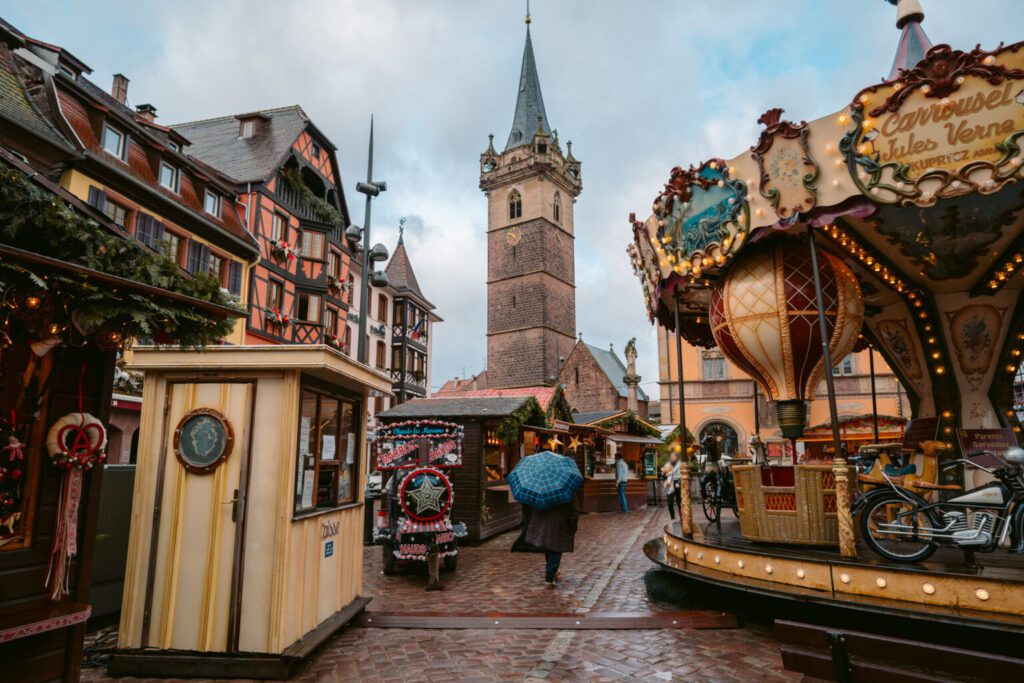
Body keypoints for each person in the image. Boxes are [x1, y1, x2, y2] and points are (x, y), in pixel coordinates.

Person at [522, 498, 580, 586]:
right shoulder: (567, 491)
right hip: (561, 522)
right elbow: (574, 510)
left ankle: (553, 571)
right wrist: (572, 525)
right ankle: (550, 576)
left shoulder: (541, 491)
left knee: (549, 545)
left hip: (545, 522)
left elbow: (534, 509)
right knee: (556, 547)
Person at [663, 452, 682, 520]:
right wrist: (665, 475)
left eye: (674, 456)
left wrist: (678, 483)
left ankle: (682, 517)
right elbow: (663, 476)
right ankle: (673, 518)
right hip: (669, 484)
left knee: (679, 502)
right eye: (671, 456)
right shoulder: (667, 464)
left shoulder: (679, 464)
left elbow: (682, 475)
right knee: (670, 503)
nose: (672, 458)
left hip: (677, 483)